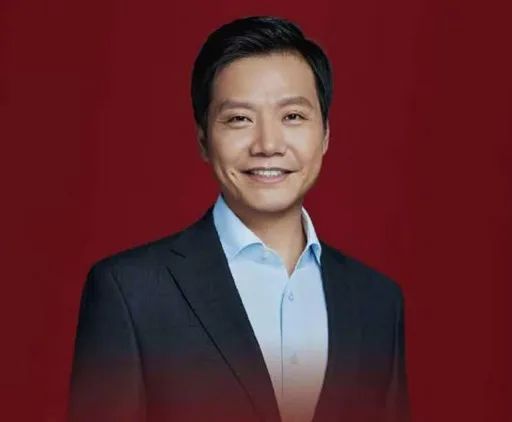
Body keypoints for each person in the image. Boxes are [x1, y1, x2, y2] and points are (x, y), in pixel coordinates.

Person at [68, 16, 410, 422]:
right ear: (203, 139)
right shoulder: (131, 293)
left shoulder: (377, 302)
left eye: (292, 116)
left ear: (325, 134)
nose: (267, 144)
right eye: (238, 119)